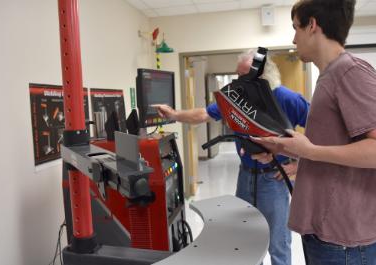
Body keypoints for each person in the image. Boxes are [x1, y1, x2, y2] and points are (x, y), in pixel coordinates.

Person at [153, 50, 310, 265]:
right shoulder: (237, 99)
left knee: (278, 244)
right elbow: (204, 114)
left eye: (242, 76)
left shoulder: (287, 99)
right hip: (245, 176)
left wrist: (299, 165)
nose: (237, 82)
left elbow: (321, 130)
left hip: (274, 179)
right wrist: (173, 114)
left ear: (262, 78)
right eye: (237, 76)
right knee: (247, 239)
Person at [252, 1, 376, 264]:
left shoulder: (350, 71)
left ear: (312, 26)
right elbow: (335, 148)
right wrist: (289, 149)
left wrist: (310, 151)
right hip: (324, 232)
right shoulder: (329, 76)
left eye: (296, 28)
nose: (294, 38)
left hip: (344, 241)